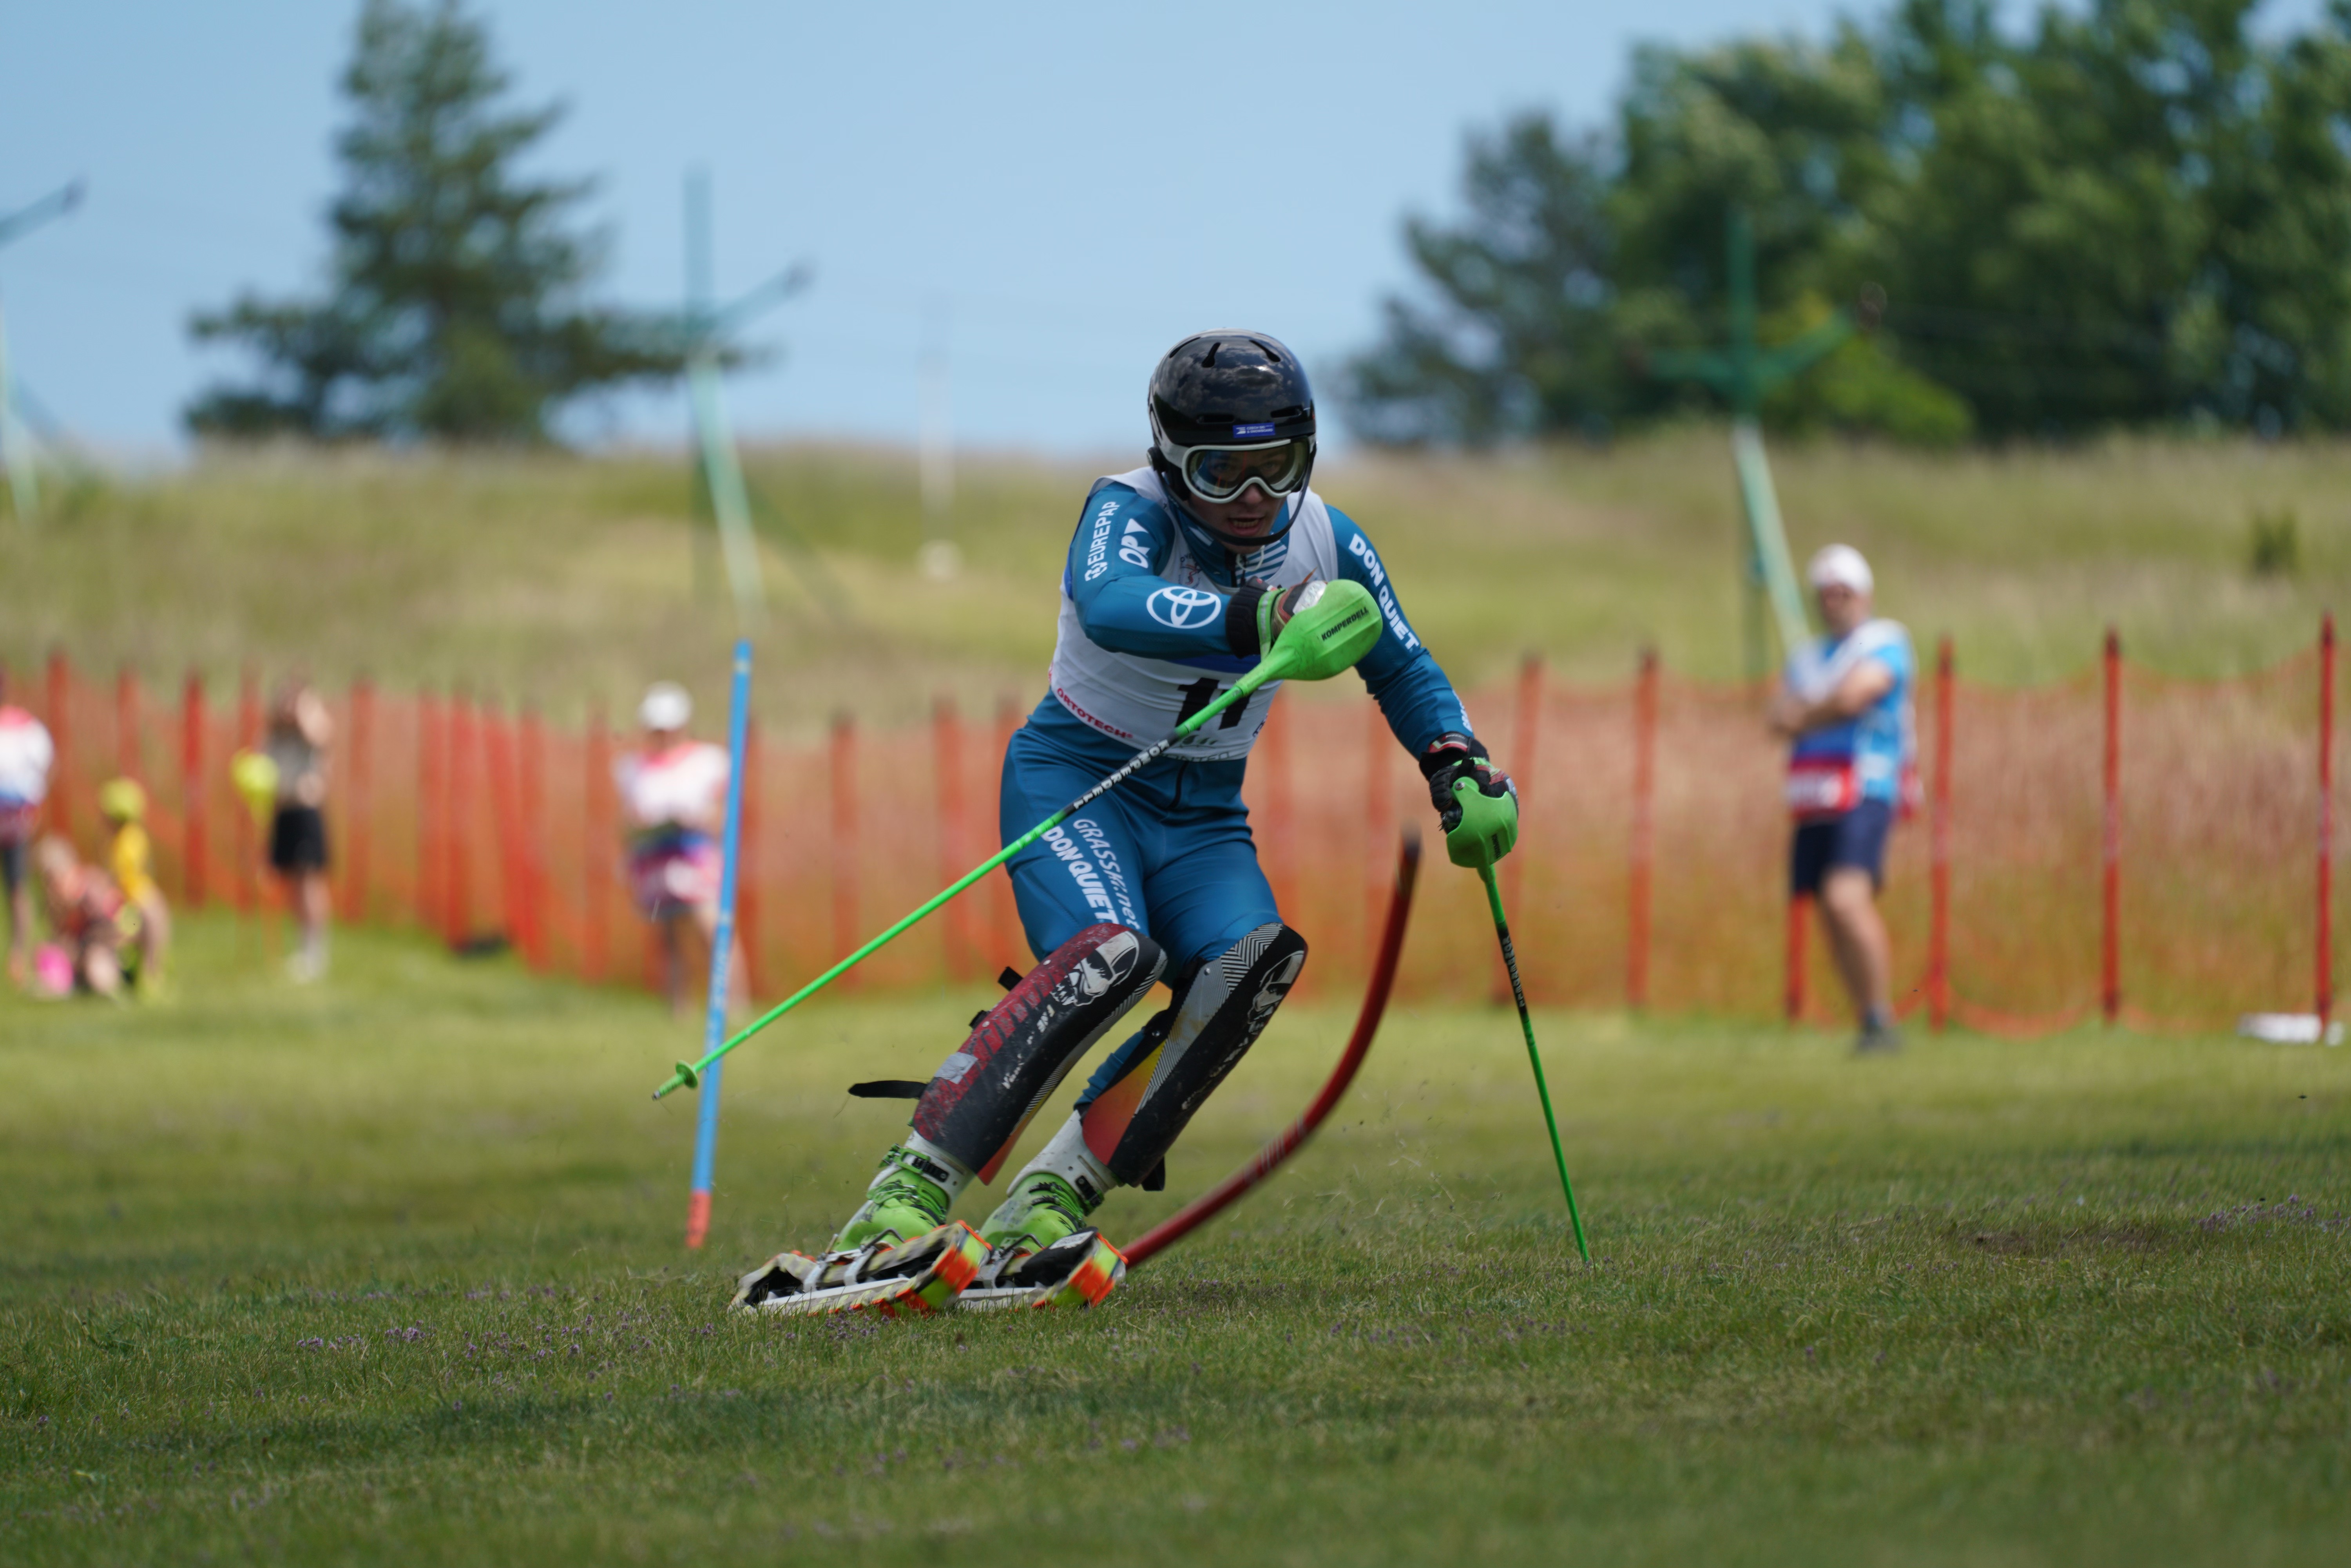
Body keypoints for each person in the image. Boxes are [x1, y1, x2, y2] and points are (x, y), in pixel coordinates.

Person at [745, 329, 1518, 1311]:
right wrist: (1260, 618)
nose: (1254, 496)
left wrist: (1456, 761)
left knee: (1253, 966)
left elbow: (1401, 661)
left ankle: (1054, 1196)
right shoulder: (1126, 506)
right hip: (1083, 779)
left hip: (1205, 816)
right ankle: (901, 1199)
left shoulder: (1329, 537)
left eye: (1278, 466)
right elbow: (1110, 602)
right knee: (1110, 956)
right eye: (1220, 471)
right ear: (1170, 459)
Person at [1768, 544, 1916, 1054]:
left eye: (1843, 592)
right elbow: (1775, 719)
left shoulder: (1886, 641)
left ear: (1865, 595)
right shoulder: (1808, 656)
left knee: (1846, 899)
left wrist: (1807, 712)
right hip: (1814, 796)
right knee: (1829, 913)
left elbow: (1856, 697)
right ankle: (1869, 1022)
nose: (1833, 602)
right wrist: (1820, 708)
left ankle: (1882, 1018)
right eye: (1825, 593)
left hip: (1864, 789)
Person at [613, 682, 745, 1018]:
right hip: (654, 856)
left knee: (713, 928)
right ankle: (678, 1009)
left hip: (695, 853)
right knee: (670, 935)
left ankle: (734, 1006)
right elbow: (628, 821)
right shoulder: (632, 768)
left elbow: (722, 815)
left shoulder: (708, 762)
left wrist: (695, 820)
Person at [264, 679, 335, 982]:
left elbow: (320, 736)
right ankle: (302, 947)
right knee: (293, 885)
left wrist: (305, 709)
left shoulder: (312, 726)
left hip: (306, 811)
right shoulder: (274, 735)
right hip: (283, 812)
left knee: (309, 883)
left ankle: (315, 951)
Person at [0, 667, 56, 987]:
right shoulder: (29, 729)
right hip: (17, 817)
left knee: (17, 887)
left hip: (14, 821)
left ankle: (19, 956)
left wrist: (33, 807)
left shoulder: (26, 729)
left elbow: (42, 770)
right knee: (17, 888)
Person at [31, 835, 130, 999]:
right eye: (48, 883)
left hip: (105, 948)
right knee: (46, 953)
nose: (52, 889)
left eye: (56, 881)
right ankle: (70, 981)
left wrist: (83, 947)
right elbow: (60, 933)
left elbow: (120, 927)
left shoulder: (93, 893)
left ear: (72, 871)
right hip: (78, 950)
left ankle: (120, 975)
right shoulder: (56, 903)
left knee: (97, 972)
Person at [99, 777, 171, 993]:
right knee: (144, 926)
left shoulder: (128, 839)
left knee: (151, 923)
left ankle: (150, 971)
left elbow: (127, 874)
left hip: (137, 899)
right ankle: (145, 972)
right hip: (132, 902)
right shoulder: (126, 839)